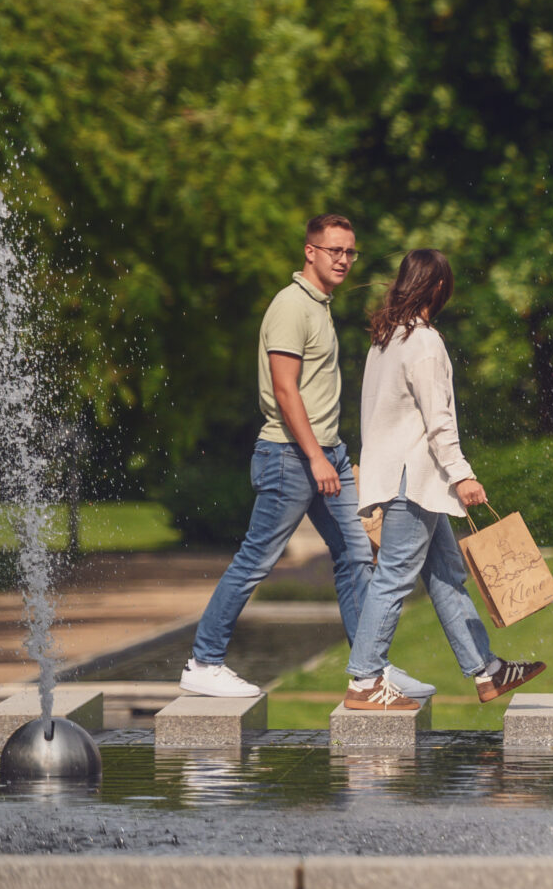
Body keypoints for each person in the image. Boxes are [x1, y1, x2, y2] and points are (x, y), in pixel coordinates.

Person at [181, 214, 435, 700]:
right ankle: (204, 661)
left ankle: (369, 671)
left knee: (357, 555)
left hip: (326, 454)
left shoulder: (319, 307)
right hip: (291, 456)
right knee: (257, 558)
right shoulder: (291, 306)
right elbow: (284, 390)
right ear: (310, 252)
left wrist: (330, 454)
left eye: (350, 252)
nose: (343, 259)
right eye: (333, 250)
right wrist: (317, 456)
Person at [342, 249, 545, 710]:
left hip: (397, 477)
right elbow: (439, 421)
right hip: (412, 480)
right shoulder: (425, 342)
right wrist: (463, 476)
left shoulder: (385, 340)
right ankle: (364, 680)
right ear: (438, 288)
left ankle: (487, 671)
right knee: (394, 578)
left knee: (448, 576)